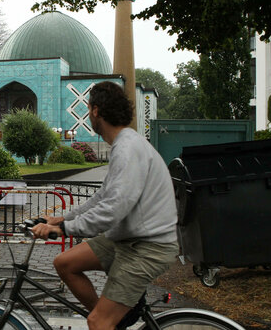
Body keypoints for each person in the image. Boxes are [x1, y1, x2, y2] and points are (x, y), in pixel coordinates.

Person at [32, 81, 178, 330]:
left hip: (147, 246)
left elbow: (112, 209)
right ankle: (114, 320)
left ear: (96, 110)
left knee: (98, 322)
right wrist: (63, 219)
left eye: (88, 109)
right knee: (64, 263)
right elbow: (103, 198)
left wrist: (66, 229)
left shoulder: (128, 148)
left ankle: (106, 320)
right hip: (127, 239)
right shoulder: (122, 145)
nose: (88, 115)